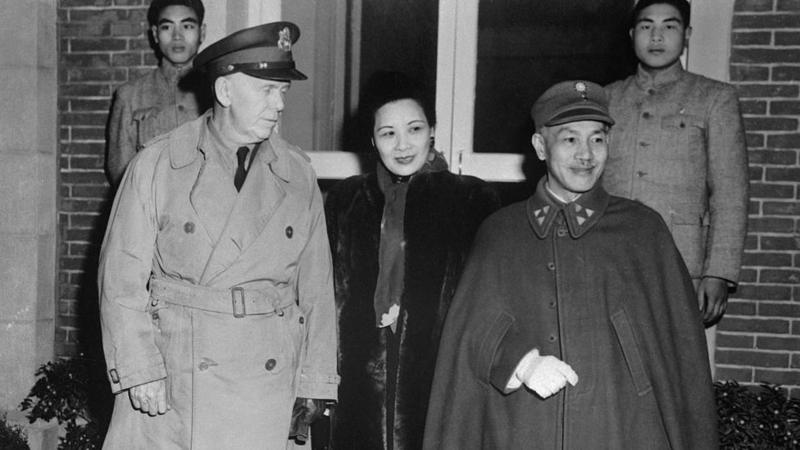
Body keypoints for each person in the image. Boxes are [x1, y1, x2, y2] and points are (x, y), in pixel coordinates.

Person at [423, 80, 717, 449]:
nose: (586, 154)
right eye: (570, 139)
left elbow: (684, 361)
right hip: (522, 428)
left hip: (620, 430)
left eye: (597, 139)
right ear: (540, 146)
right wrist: (521, 363)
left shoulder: (643, 231)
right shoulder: (501, 233)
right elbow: (468, 338)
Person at [98, 22, 338, 449]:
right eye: (267, 90)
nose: (280, 104)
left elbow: (317, 288)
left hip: (267, 385)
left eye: (283, 91)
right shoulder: (159, 164)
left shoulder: (297, 174)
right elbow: (120, 279)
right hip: (177, 382)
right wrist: (139, 370)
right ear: (225, 91)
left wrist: (315, 381)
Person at [324, 71, 500, 449]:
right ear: (372, 139)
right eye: (388, 133)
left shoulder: (472, 202)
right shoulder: (345, 202)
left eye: (415, 129)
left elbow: (486, 308)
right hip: (358, 397)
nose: (403, 145)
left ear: (432, 130)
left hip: (439, 390)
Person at [603, 0, 749, 368]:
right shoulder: (606, 99)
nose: (656, 36)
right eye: (646, 26)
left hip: (680, 263)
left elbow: (730, 192)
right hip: (609, 259)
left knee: (671, 368)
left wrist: (718, 272)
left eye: (669, 26)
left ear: (687, 35)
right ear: (631, 34)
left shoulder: (715, 98)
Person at [106, 0, 211, 187]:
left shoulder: (220, 91)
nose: (177, 36)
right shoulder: (130, 95)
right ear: (155, 34)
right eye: (167, 27)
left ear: (202, 32)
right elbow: (120, 173)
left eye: (187, 26)